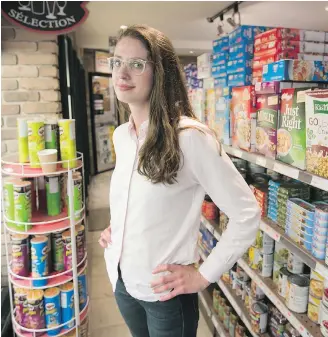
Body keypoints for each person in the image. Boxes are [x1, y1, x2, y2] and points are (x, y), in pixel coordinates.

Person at [98, 24, 260, 337]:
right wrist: (119, 229)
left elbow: (247, 214)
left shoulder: (190, 138)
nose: (122, 73)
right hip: (121, 282)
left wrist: (204, 276)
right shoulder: (122, 136)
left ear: (161, 73)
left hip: (165, 297)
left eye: (137, 64)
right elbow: (142, 200)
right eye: (117, 61)